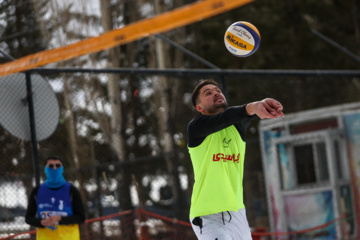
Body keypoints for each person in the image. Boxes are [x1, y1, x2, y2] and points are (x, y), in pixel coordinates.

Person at [188, 79, 284, 240]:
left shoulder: (236, 127)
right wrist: (252, 107)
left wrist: (261, 104)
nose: (216, 93)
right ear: (200, 108)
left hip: (237, 214)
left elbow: (241, 114)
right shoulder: (196, 128)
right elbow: (230, 115)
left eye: (217, 90)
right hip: (208, 216)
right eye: (208, 93)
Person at [25, 156, 86, 240]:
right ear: (46, 169)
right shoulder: (37, 191)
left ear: (62, 168)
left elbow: (81, 217)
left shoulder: (72, 190)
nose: (54, 168)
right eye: (51, 166)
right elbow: (28, 218)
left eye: (58, 165)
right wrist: (41, 222)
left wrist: (60, 219)